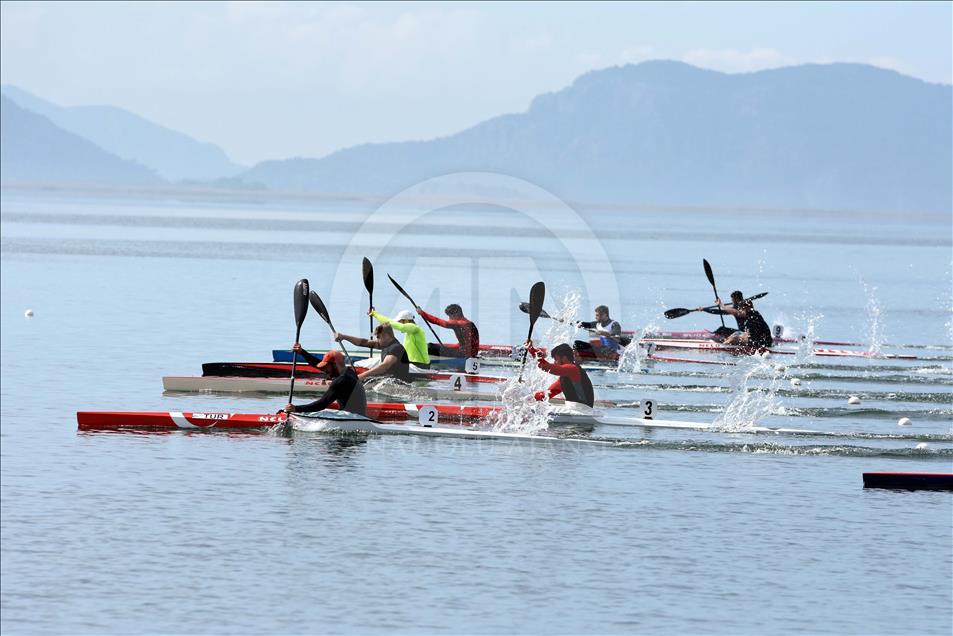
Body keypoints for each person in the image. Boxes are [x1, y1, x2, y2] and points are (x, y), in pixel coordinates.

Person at [283, 347, 367, 416]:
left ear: (335, 364)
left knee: (320, 413)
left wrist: (296, 409)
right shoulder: (350, 372)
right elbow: (318, 364)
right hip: (358, 415)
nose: (324, 370)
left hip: (351, 419)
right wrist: (302, 352)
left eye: (326, 367)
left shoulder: (341, 381)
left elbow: (322, 404)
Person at [525, 341, 595, 407]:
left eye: (556, 359)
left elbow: (546, 367)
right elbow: (547, 394)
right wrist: (532, 399)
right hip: (576, 409)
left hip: (582, 410)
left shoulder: (572, 369)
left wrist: (531, 350)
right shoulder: (565, 378)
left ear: (564, 358)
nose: (554, 362)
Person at [335, 323, 412, 382]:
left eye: (378, 337)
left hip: (399, 385)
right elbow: (363, 342)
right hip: (388, 381)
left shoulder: (396, 348)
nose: (377, 339)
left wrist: (363, 375)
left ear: (387, 335)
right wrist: (344, 337)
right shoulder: (385, 345)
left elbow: (384, 366)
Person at [703, 291, 774, 349]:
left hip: (762, 343)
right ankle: (725, 343)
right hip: (762, 340)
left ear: (747, 308)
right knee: (735, 334)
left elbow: (734, 312)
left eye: (742, 309)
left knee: (735, 337)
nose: (740, 310)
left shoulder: (749, 315)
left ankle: (721, 347)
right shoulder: (754, 314)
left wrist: (721, 305)